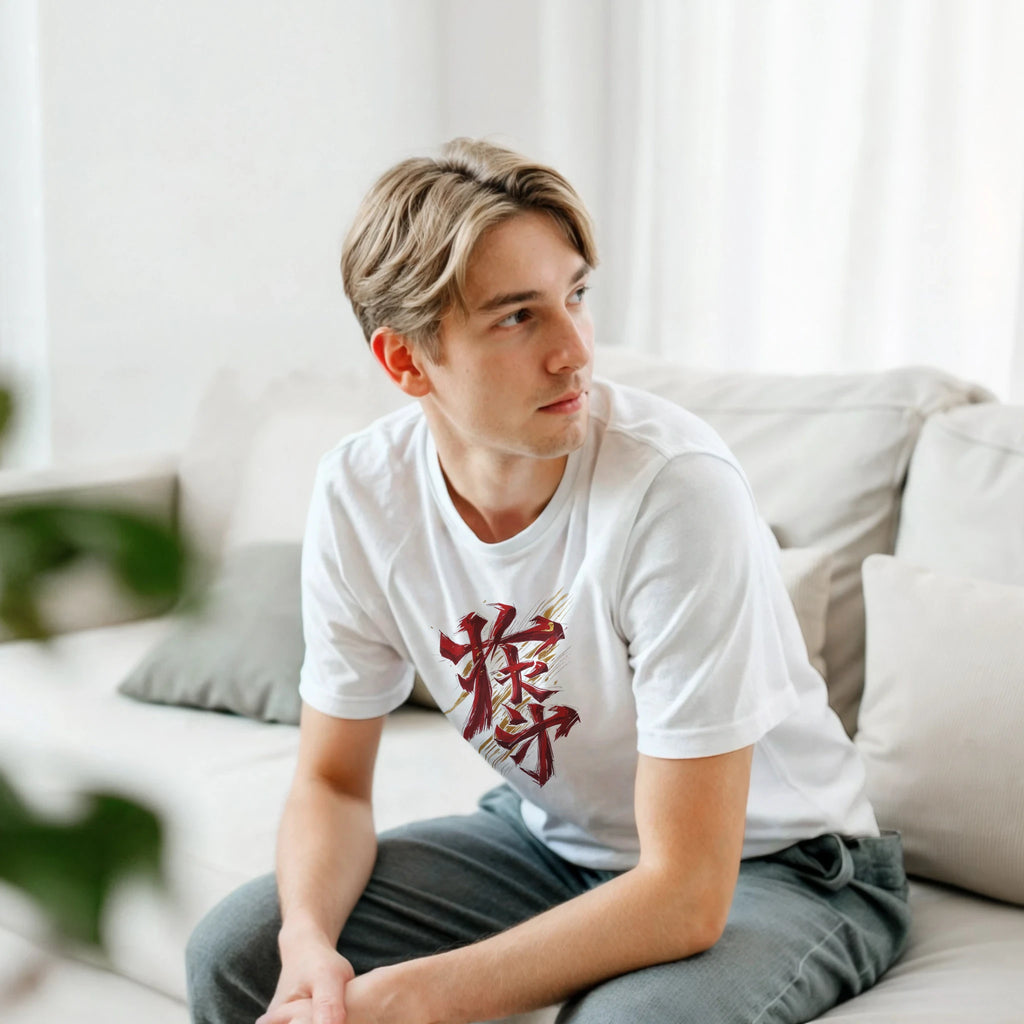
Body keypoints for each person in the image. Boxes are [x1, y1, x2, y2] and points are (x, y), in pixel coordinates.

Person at [186, 138, 910, 1024]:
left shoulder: (673, 490)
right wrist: (308, 946)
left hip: (786, 868)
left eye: (575, 297)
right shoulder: (362, 492)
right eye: (518, 317)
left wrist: (416, 996)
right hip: (547, 846)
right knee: (240, 955)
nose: (575, 352)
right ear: (407, 362)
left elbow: (684, 894)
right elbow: (333, 783)